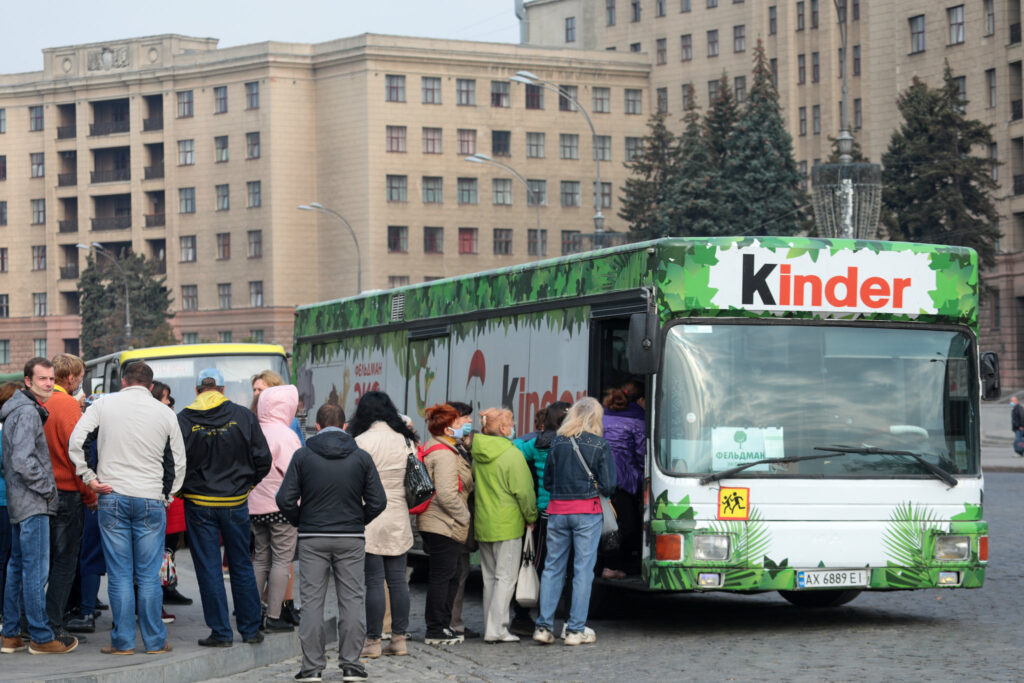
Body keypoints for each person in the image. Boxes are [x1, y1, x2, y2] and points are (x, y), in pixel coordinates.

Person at [69, 360, 186, 656]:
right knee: (147, 575)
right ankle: (155, 641)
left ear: (122, 381)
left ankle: (122, 642)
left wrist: (90, 478)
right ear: (150, 385)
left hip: (113, 496)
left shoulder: (103, 406)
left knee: (120, 574)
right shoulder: (164, 413)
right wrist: (167, 495)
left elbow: (77, 442)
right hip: (150, 498)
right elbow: (178, 460)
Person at [276, 402, 386, 683]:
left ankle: (312, 668)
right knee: (351, 600)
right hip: (350, 537)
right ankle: (351, 666)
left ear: (318, 426)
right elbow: (379, 501)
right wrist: (358, 519)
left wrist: (301, 519)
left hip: (313, 537)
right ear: (345, 427)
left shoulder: (303, 456)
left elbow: (284, 499)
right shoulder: (361, 457)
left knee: (312, 602)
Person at [178, 367, 271, 647]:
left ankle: (221, 632)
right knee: (241, 564)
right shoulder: (243, 416)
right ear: (223, 390)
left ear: (197, 391)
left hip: (199, 503)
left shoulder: (183, 419)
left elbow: (173, 462)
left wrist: (184, 491)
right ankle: (251, 630)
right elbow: (263, 459)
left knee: (208, 568)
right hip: (235, 502)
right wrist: (246, 487)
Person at [1, 358, 78, 655]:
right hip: (32, 501)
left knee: (18, 566)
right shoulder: (27, 412)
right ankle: (41, 637)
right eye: (42, 379)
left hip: (22, 501)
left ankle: (11, 634)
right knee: (34, 571)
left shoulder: (19, 409)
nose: (48, 383)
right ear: (28, 382)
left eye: (50, 379)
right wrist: (48, 489)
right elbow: (21, 460)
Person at [533, 397, 616, 647]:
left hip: (557, 510)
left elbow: (547, 481)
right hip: (587, 512)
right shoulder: (599, 445)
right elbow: (610, 484)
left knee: (552, 568)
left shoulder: (557, 443)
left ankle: (544, 626)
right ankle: (575, 629)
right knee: (582, 571)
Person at [347, 391, 418, 659]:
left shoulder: (360, 441)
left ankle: (373, 642)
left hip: (369, 515)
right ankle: (399, 639)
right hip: (398, 513)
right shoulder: (405, 440)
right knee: (398, 580)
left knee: (374, 581)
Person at [471, 407, 537, 643]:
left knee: (489, 579)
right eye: (511, 424)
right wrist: (531, 516)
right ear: (502, 428)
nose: (514, 428)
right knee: (506, 578)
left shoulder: (478, 452)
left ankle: (491, 624)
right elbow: (524, 492)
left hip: (484, 522)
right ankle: (497, 628)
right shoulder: (511, 455)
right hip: (507, 523)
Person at [42, 353, 94, 639]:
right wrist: (90, 495)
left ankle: (28, 623)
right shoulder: (68, 406)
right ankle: (52, 625)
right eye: (79, 376)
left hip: (38, 493)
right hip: (67, 493)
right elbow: (79, 458)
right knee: (64, 562)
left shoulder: (39, 402)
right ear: (71, 377)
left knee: (39, 561)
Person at [510, 400, 570, 635]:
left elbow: (513, 451)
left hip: (544, 511)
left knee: (536, 564)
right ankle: (565, 620)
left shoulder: (535, 443)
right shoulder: (578, 443)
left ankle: (524, 616)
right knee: (568, 568)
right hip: (572, 510)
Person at [417, 403, 474, 646]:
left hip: (438, 522)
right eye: (460, 423)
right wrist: (465, 517)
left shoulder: (438, 447)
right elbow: (447, 495)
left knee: (448, 576)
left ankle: (442, 626)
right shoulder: (444, 453)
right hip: (444, 523)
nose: (465, 427)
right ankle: (436, 628)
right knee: (443, 577)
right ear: (449, 427)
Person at [248, 384, 302, 633]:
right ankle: (274, 614)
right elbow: (297, 471)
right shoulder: (286, 434)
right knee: (282, 559)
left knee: (260, 558)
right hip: (282, 506)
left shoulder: (254, 430)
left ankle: (252, 612)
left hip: (255, 505)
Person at [150, 381, 191, 615]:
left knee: (168, 550)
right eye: (166, 397)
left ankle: (167, 588)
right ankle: (160, 597)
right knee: (161, 551)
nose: (170, 401)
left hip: (172, 498)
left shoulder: (168, 419)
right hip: (165, 496)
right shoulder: (162, 423)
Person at [599, 388, 646, 579]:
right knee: (626, 525)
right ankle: (613, 566)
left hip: (600, 477)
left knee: (608, 522)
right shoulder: (638, 421)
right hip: (623, 480)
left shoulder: (600, 419)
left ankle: (606, 564)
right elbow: (642, 454)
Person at [445, 400, 478, 640]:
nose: (470, 422)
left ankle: (453, 621)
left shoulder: (459, 446)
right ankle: (450, 622)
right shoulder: (450, 449)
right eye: (466, 418)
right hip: (453, 522)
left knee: (459, 572)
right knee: (454, 573)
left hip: (457, 522)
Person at [0, 382, 23, 635]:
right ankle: (7, 613)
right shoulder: (5, 430)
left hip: (7, 499)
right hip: (6, 500)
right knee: (7, 559)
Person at [252, 370, 306, 446]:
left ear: (274, 391)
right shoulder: (250, 418)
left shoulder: (290, 421)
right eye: (254, 390)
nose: (256, 393)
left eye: (260, 390)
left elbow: (299, 452)